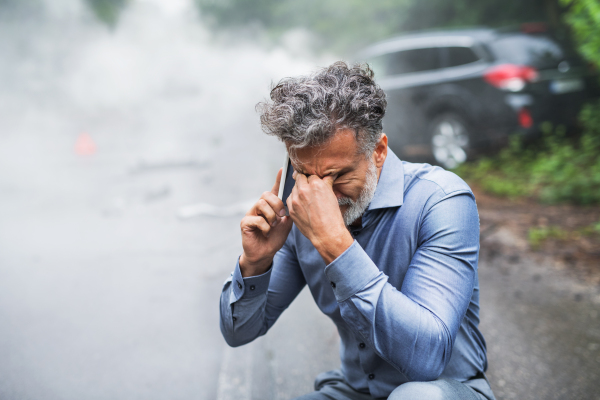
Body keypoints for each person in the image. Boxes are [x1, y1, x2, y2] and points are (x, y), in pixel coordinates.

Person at [219, 61, 496, 400]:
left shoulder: (440, 200)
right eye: (307, 175)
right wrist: (255, 264)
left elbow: (426, 358)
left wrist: (335, 243)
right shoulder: (296, 214)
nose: (322, 197)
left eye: (338, 176)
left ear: (378, 152)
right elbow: (240, 333)